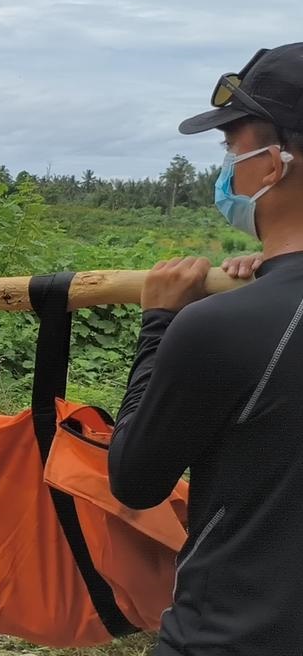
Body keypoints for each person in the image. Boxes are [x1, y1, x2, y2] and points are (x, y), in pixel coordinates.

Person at [108, 43, 303, 654]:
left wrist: (160, 324)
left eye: (231, 146)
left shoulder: (222, 326)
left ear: (272, 166)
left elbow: (135, 479)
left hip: (229, 636)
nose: (227, 168)